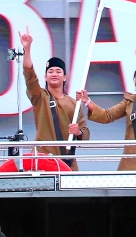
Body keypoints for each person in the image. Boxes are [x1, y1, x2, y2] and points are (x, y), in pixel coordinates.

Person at [19, 27, 90, 171]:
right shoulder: (40, 96)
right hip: (42, 161)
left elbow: (85, 133)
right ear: (45, 76)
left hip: (67, 162)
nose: (54, 74)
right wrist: (27, 49)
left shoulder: (73, 103)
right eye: (50, 71)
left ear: (65, 77)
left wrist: (78, 132)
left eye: (58, 71)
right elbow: (29, 76)